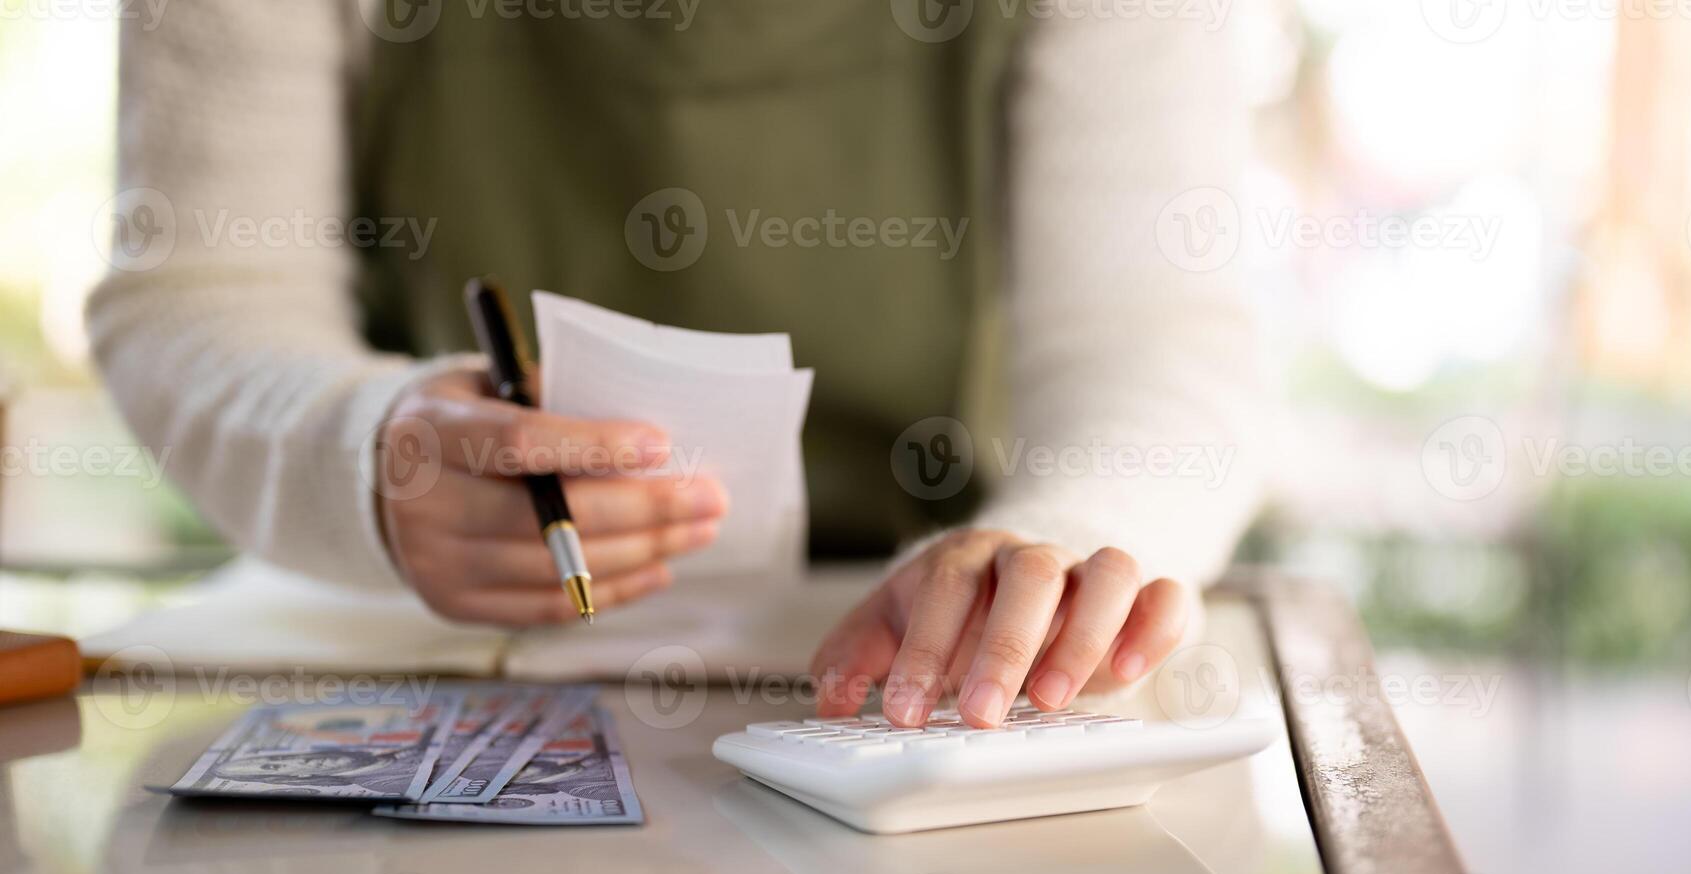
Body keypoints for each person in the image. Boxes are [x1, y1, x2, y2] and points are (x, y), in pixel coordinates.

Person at [87, 1, 1269, 729]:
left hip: (909, 644)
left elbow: (1158, 344)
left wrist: (1058, 543)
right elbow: (195, 296)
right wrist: (362, 453)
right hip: (408, 634)